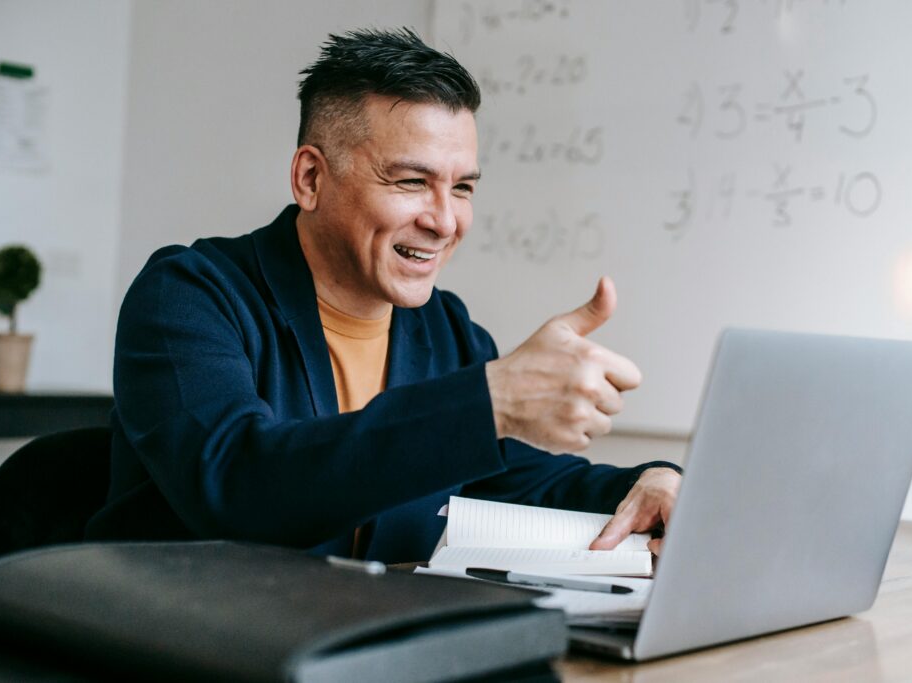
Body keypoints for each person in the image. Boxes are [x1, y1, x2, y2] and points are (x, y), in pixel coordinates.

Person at [86, 28, 682, 564]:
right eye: (412, 181)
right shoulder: (187, 295)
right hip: (184, 634)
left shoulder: (447, 329)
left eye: (463, 188)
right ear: (311, 179)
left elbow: (512, 478)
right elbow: (235, 484)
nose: (444, 221)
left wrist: (645, 483)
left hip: (357, 634)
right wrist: (488, 402)